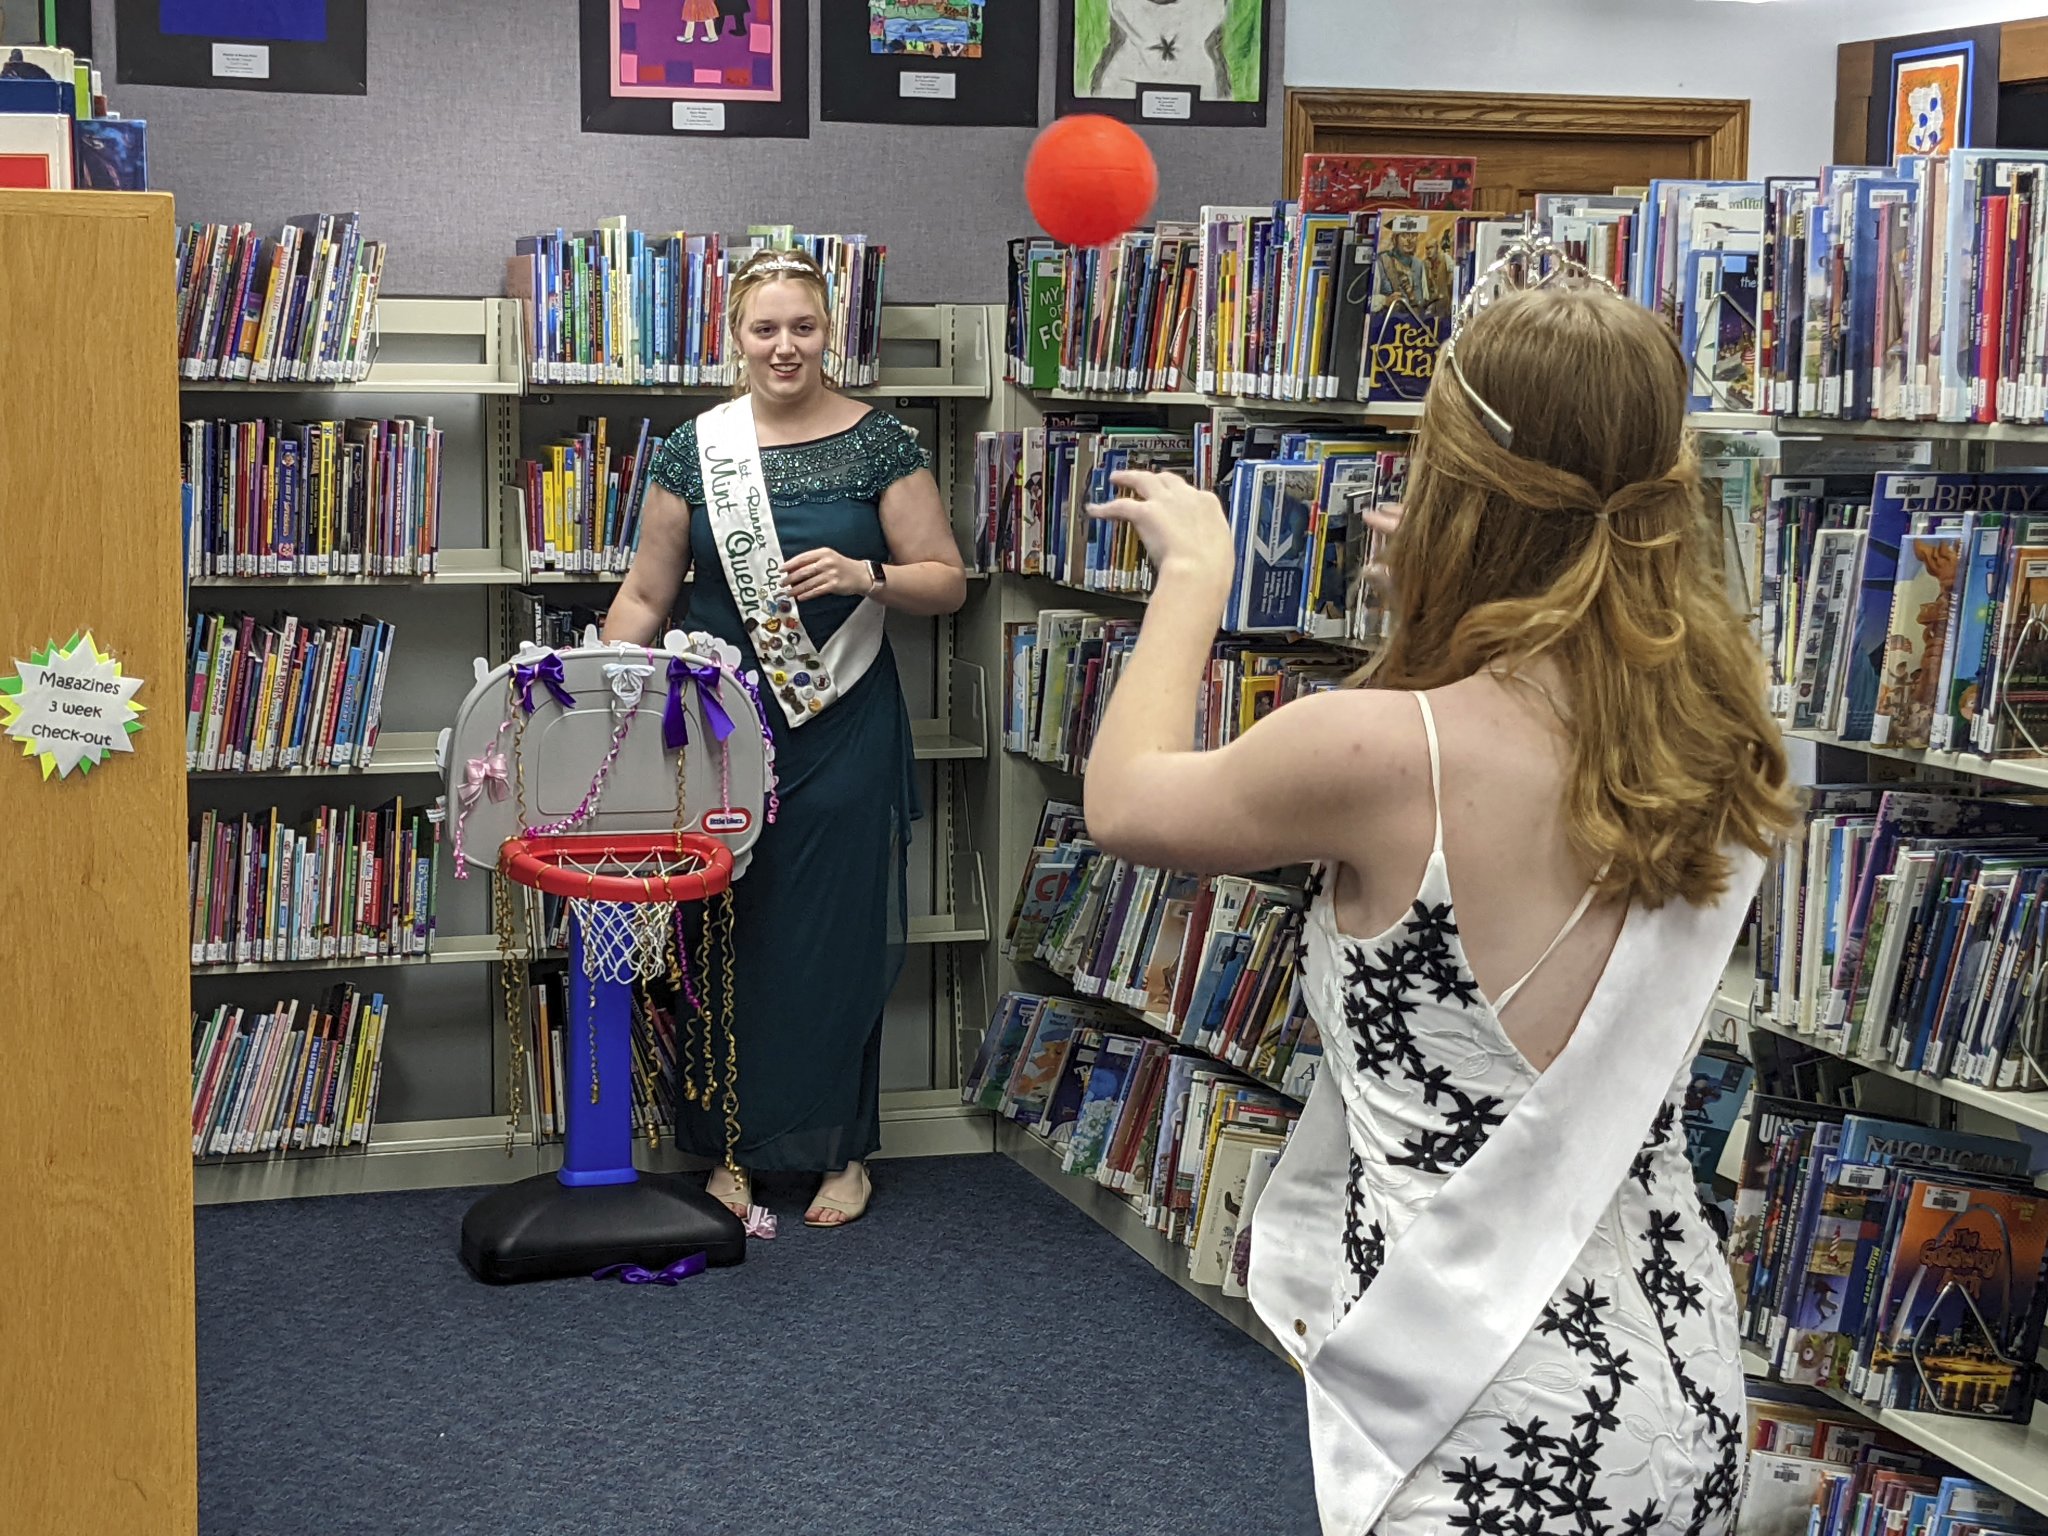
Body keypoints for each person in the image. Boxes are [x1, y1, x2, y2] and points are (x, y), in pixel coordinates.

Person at [1080, 270, 1795, 1536]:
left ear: (1467, 488)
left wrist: (1195, 571)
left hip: (1485, 1404)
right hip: (1675, 1366)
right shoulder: (1725, 739)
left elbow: (1126, 800)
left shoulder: (1377, 751)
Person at [602, 247, 967, 1228]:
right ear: (734, 336)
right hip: (722, 733)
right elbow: (646, 592)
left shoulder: (880, 444)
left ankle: (841, 1153)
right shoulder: (695, 448)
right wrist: (595, 700)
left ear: (827, 332)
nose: (784, 346)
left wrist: (866, 577)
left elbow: (945, 577)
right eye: (764, 328)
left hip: (840, 726)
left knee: (835, 943)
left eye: (801, 327)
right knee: (724, 941)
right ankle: (733, 1148)